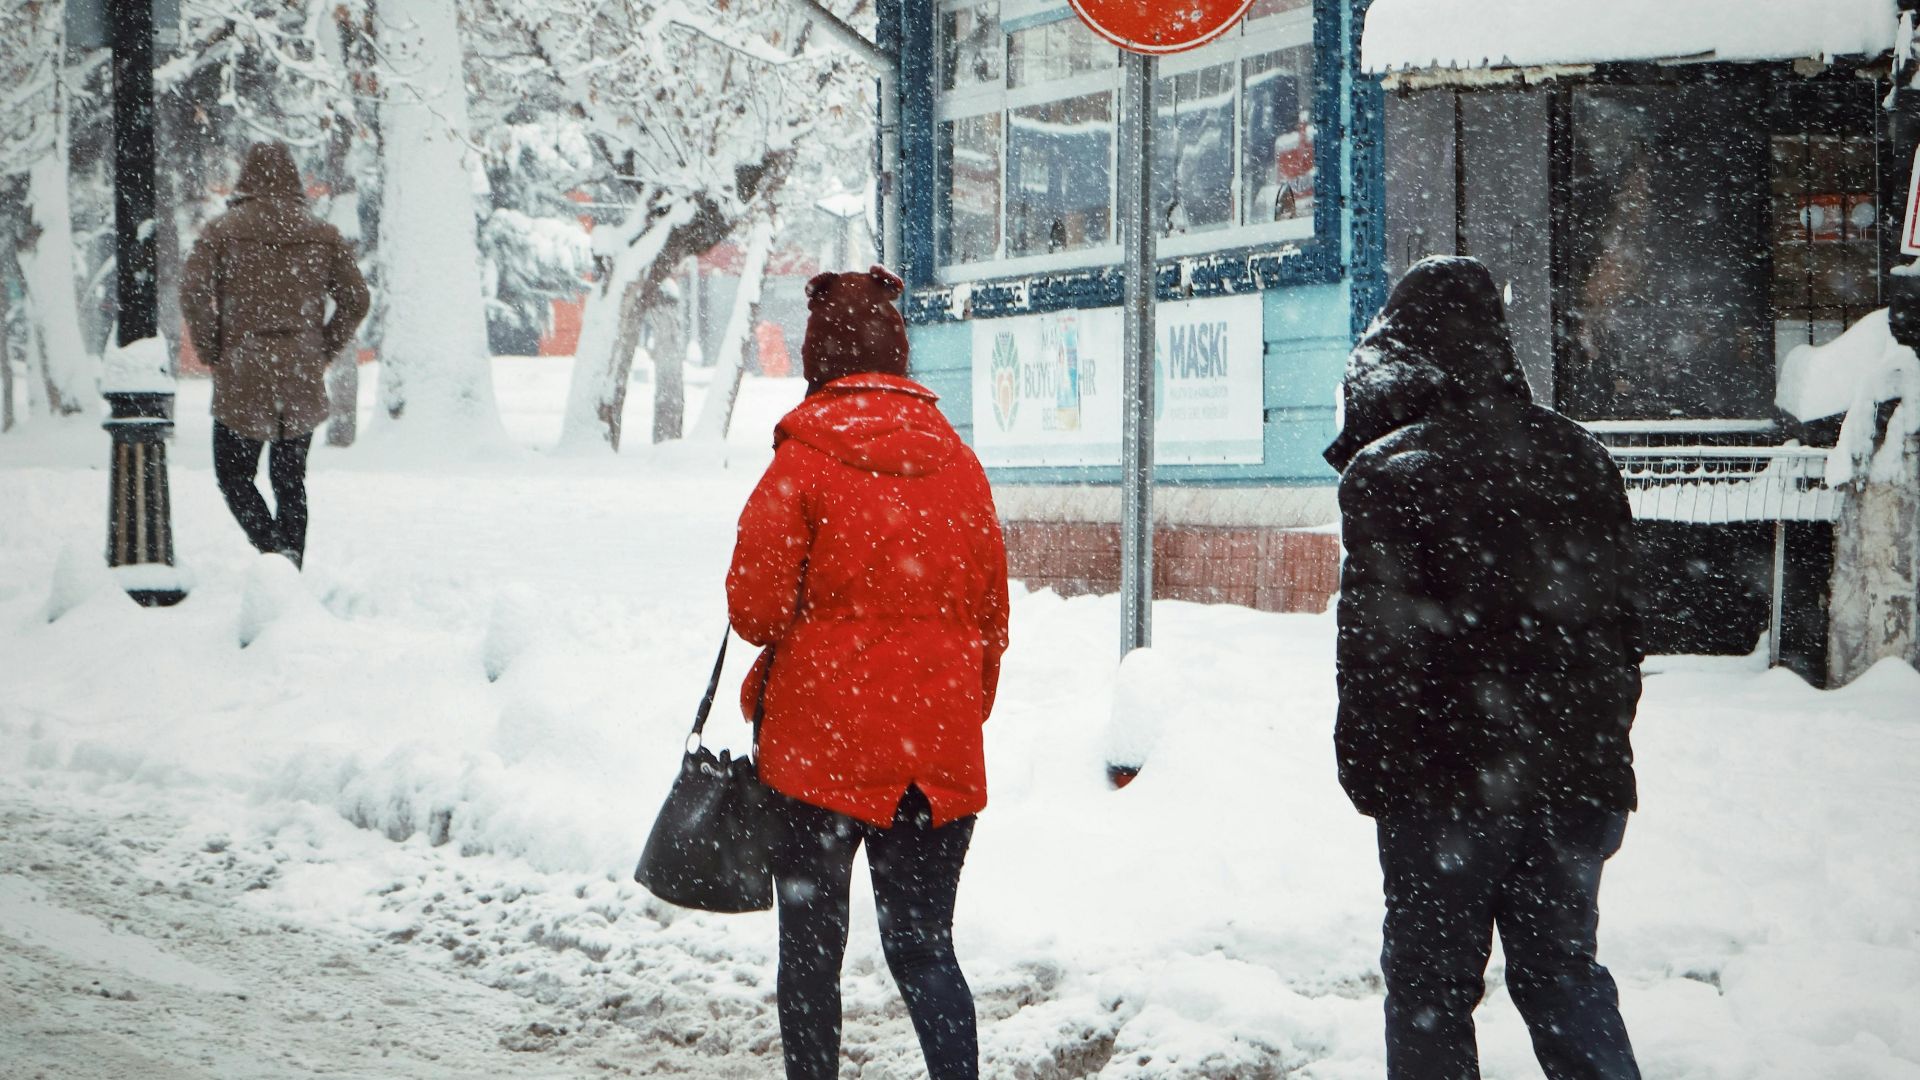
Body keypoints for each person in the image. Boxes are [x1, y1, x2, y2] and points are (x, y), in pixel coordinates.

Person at [1324, 256, 1644, 1080]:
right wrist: (1595, 747)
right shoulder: (1583, 458)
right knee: (1563, 976)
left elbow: (1375, 652)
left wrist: (1372, 775)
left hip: (1445, 790)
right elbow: (1623, 633)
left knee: (1431, 990)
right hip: (1576, 781)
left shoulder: (1392, 474)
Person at [726, 264, 1009, 1080]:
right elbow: (992, 617)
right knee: (925, 951)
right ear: (900, 355)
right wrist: (952, 715)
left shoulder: (802, 463)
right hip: (936, 762)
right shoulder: (961, 465)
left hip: (818, 757)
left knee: (811, 957)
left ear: (817, 357)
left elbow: (755, 612)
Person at [180, 141, 369, 569]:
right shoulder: (321, 233)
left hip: (242, 370)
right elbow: (356, 299)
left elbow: (192, 293)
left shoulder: (222, 231)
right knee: (290, 481)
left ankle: (273, 554)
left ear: (246, 178)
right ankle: (290, 569)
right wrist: (321, 348)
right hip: (299, 374)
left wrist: (213, 347)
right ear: (293, 179)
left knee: (234, 477)